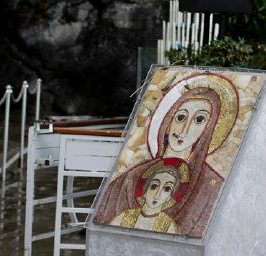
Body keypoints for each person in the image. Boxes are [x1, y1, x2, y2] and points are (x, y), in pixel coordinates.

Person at [94, 73, 238, 237]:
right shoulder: (129, 178)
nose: (184, 130)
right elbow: (103, 226)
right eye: (181, 117)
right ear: (167, 122)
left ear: (209, 129)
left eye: (199, 120)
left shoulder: (212, 186)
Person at [110, 157, 190, 234]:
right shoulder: (124, 217)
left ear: (169, 197)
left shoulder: (168, 226)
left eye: (167, 189)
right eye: (154, 186)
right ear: (144, 192)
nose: (157, 195)